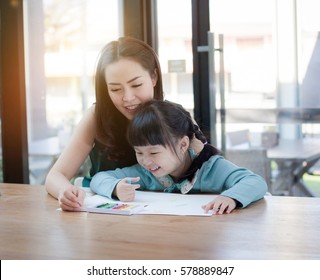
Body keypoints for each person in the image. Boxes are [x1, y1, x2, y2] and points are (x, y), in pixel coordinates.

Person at [45, 37, 204, 211]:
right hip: (104, 213)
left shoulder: (176, 116)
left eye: (136, 85)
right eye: (115, 89)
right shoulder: (96, 116)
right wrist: (65, 191)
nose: (127, 98)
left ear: (153, 77)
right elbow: (55, 175)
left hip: (163, 213)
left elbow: (209, 167)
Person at [90, 100, 268, 215]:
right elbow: (99, 178)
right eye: (139, 152)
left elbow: (255, 182)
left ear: (183, 145)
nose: (145, 160)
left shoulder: (211, 168)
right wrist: (115, 188)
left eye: (153, 152)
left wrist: (230, 197)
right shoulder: (144, 173)